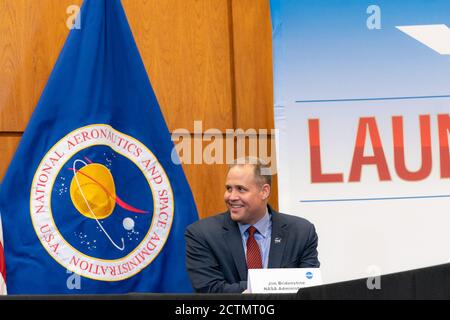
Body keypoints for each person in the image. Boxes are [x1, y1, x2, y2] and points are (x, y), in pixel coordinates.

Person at [185, 159, 320, 293]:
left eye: (241, 189)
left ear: (264, 191)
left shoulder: (301, 232)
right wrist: (273, 286)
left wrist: (254, 288)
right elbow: (209, 289)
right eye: (228, 188)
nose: (231, 197)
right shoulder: (202, 234)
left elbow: (308, 290)